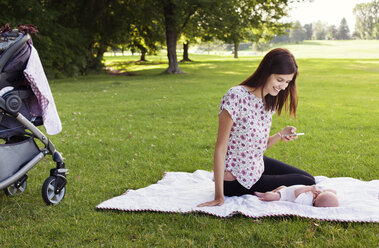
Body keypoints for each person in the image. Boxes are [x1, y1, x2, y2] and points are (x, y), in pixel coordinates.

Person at [198, 48, 315, 207]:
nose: (283, 87)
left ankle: (278, 192)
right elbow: (220, 147)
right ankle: (278, 194)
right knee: (305, 182)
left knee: (308, 178)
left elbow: (258, 146)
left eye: (287, 82)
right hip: (237, 179)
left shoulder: (269, 101)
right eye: (280, 80)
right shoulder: (236, 96)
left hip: (255, 163)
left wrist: (280, 134)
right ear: (267, 71)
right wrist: (219, 195)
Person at [254, 185, 339, 207]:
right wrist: (323, 192)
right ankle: (264, 193)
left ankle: (263, 196)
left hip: (285, 195)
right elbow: (334, 192)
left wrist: (309, 188)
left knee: (274, 196)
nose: (318, 192)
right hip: (287, 189)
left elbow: (297, 192)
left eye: (320, 194)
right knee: (281, 187)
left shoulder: (308, 200)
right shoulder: (314, 196)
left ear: (315, 200)